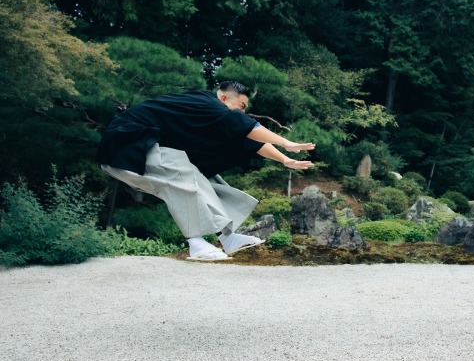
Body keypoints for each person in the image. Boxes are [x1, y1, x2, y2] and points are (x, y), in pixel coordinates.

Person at [99, 81, 315, 261]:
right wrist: (286, 142)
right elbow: (246, 125)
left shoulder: (213, 116)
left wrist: (285, 159)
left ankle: (227, 237)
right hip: (126, 144)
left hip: (138, 152)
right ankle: (195, 242)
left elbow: (248, 139)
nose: (243, 111)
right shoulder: (206, 102)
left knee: (208, 179)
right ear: (223, 98)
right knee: (180, 172)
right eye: (241, 105)